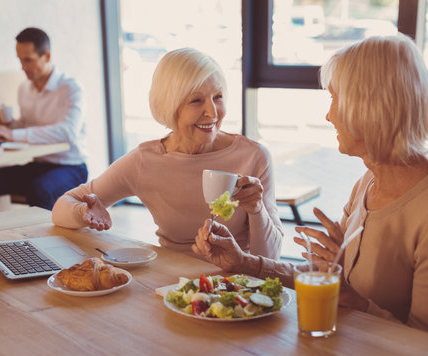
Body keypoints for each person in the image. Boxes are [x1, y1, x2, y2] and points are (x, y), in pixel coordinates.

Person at [192, 34, 428, 337]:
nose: (328, 115)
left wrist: (351, 299)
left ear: (368, 106)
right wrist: (243, 262)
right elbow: (325, 279)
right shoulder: (369, 181)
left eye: (334, 98)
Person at [52, 48, 283, 259]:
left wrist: (256, 209)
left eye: (218, 97)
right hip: (171, 285)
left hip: (236, 285)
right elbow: (62, 208)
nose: (212, 112)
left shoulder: (254, 157)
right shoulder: (145, 161)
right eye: (196, 100)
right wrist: (84, 211)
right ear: (170, 105)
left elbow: (270, 258)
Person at [0, 27, 88, 214]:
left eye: (28, 60)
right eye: (20, 60)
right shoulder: (24, 88)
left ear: (46, 56)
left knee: (39, 190)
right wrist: (7, 126)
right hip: (38, 165)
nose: (22, 66)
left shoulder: (71, 88)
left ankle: (42, 242)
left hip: (70, 166)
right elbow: (27, 126)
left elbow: (68, 132)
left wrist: (13, 134)